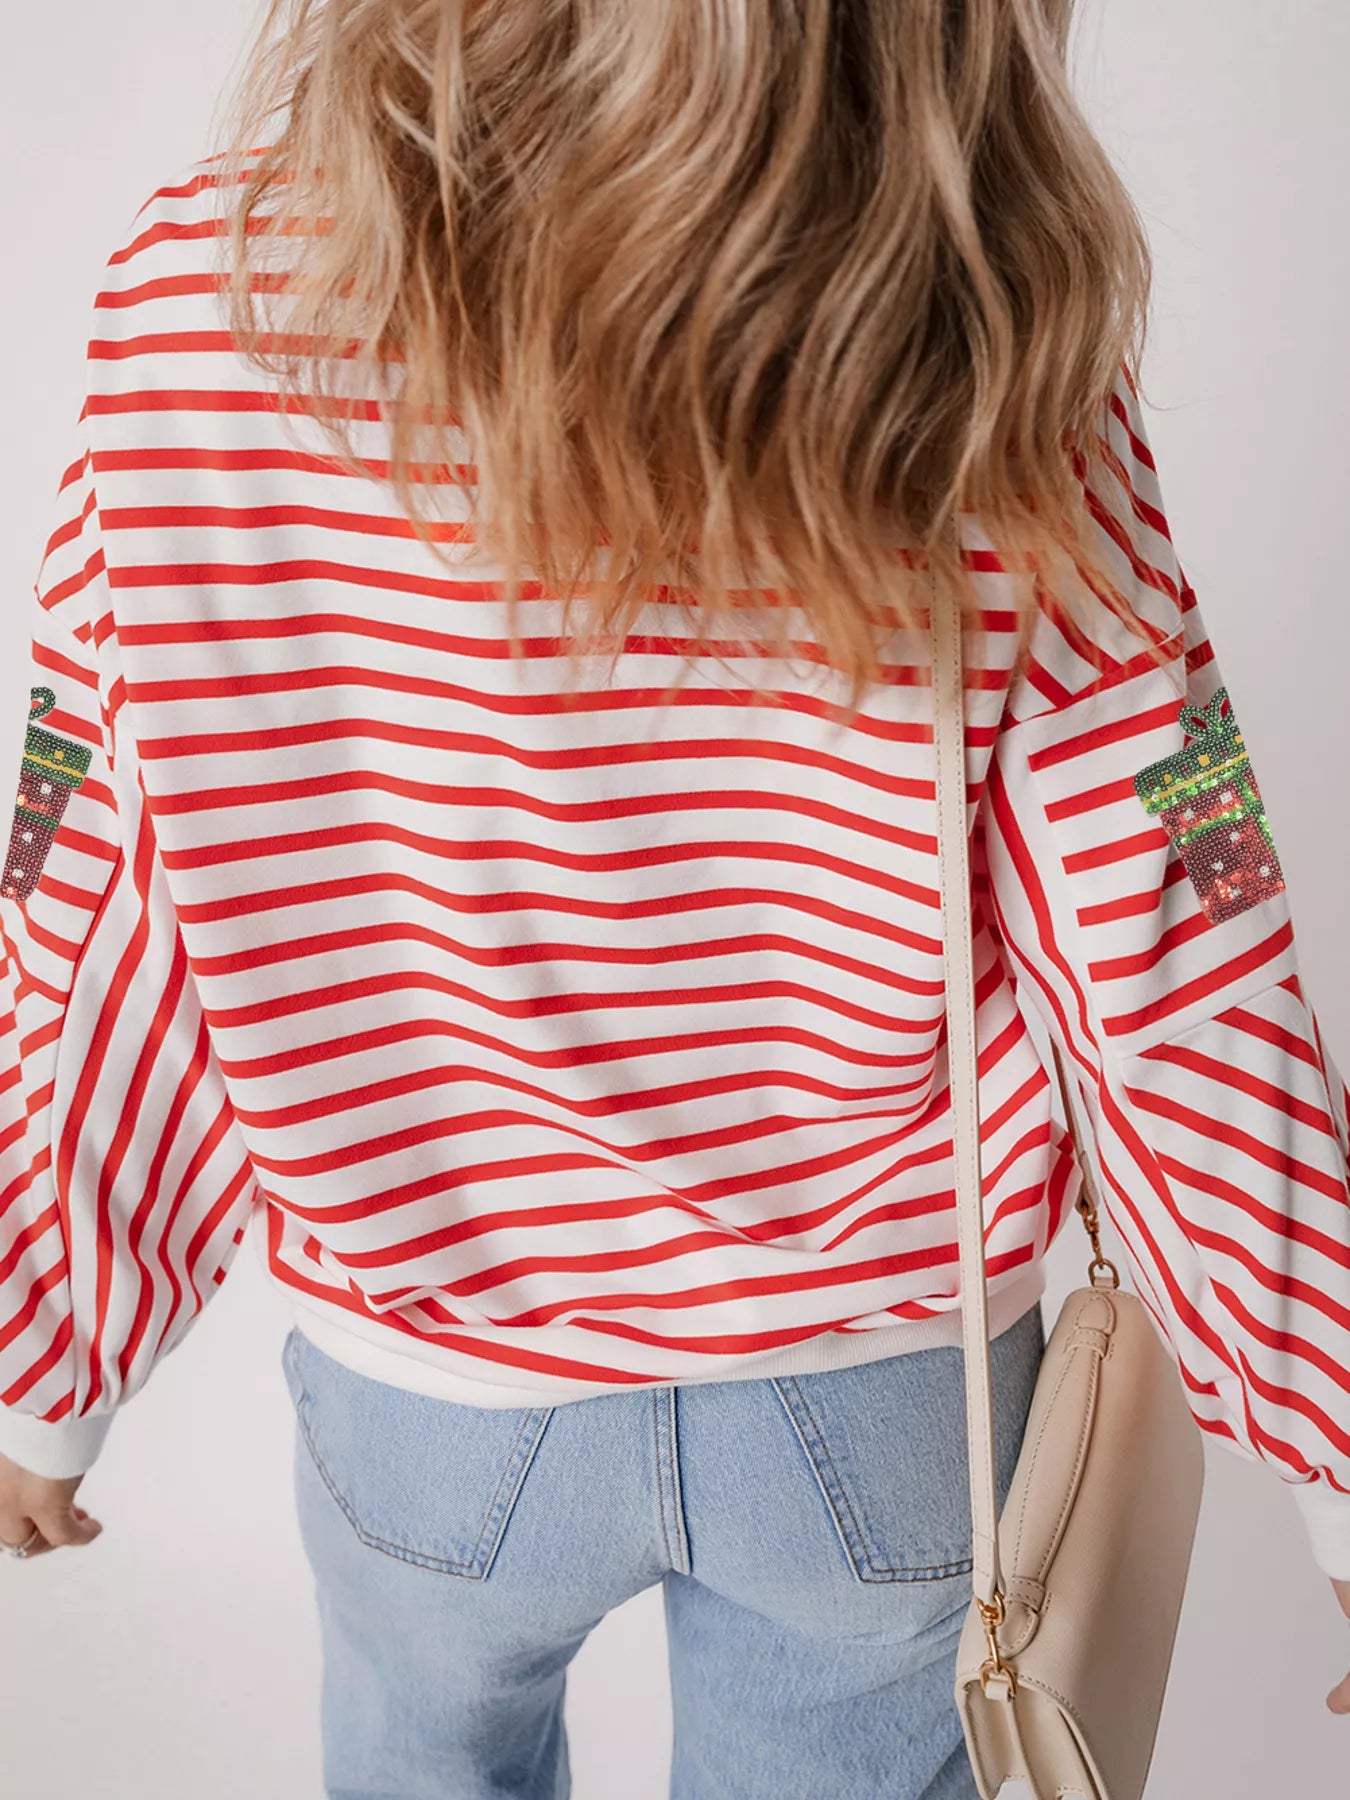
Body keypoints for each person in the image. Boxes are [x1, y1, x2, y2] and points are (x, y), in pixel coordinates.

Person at [2, 2, 1348, 1795]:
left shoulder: (213, 294)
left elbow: (96, 860)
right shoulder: (985, 330)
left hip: (429, 1379)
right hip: (881, 1399)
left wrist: (45, 1362)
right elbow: (1185, 930)